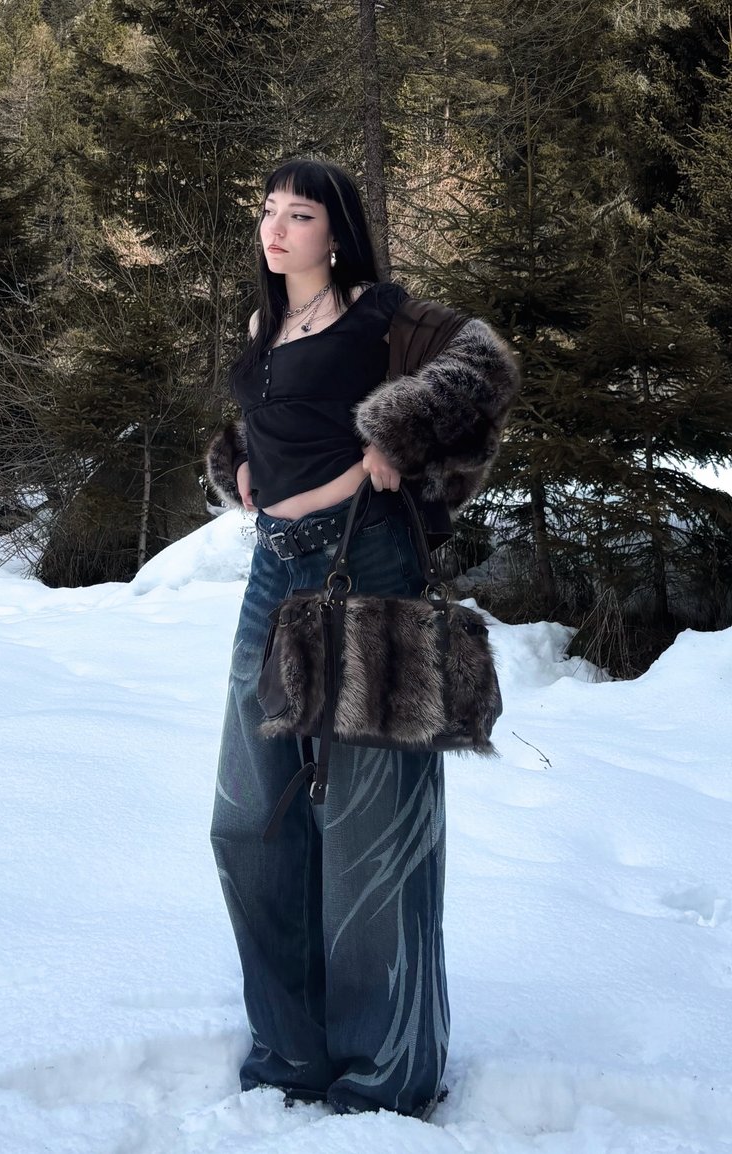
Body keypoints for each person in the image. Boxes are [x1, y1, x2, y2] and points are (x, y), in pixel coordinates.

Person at [206, 158, 519, 1119]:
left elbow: (484, 367)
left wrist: (399, 433)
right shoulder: (264, 323)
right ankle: (290, 1048)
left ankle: (386, 1070)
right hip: (273, 575)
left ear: (337, 232)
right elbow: (282, 417)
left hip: (364, 563)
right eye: (268, 211)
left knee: (370, 829)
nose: (276, 229)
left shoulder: (382, 315)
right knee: (251, 818)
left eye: (299, 214)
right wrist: (240, 457)